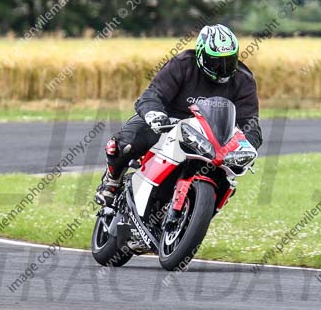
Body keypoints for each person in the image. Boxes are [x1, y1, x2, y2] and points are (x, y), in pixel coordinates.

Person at [95, 24, 263, 206]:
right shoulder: (183, 64)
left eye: (228, 61)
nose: (222, 68)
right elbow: (154, 94)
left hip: (210, 135)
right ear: (201, 55)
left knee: (226, 180)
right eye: (215, 61)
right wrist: (154, 114)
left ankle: (194, 210)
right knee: (126, 144)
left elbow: (250, 122)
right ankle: (112, 181)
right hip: (167, 121)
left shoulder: (244, 79)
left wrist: (249, 147)